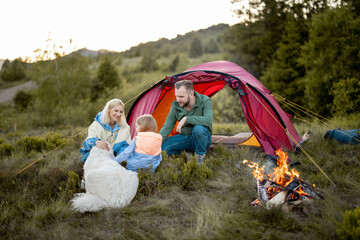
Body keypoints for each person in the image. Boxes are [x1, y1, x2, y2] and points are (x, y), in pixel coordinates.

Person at [159, 80, 213, 165]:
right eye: (176, 96)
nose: (178, 100)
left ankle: (200, 158)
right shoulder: (175, 105)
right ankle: (186, 156)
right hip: (185, 138)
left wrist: (186, 119)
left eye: (181, 97)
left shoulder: (205, 100)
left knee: (198, 129)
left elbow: (208, 120)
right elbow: (167, 126)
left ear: (191, 94)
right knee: (162, 147)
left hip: (202, 138)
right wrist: (156, 143)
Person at [80, 98, 131, 163]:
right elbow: (87, 143)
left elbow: (126, 145)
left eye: (121, 112)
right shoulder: (96, 125)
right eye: (116, 111)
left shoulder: (125, 127)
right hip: (96, 156)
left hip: (115, 158)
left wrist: (120, 156)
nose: (118, 114)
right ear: (109, 109)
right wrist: (95, 142)